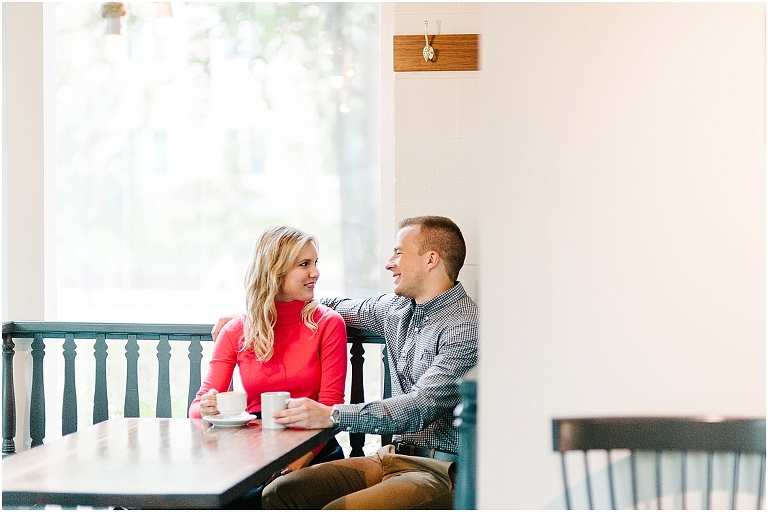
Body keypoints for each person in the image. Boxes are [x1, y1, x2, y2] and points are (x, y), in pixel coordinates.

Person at [258, 215, 479, 509]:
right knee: (279, 492)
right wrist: (251, 314)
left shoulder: (465, 327)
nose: (389, 263)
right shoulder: (397, 309)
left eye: (399, 252)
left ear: (431, 259)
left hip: (440, 471)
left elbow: (420, 407)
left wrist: (332, 415)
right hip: (390, 456)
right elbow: (331, 306)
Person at [190, 226, 349, 489]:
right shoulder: (236, 330)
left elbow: (331, 408)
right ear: (275, 272)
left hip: (313, 450)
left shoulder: (328, 324)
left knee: (264, 495)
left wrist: (293, 465)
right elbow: (196, 409)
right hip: (252, 453)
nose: (315, 272)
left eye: (315, 263)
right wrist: (208, 407)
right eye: (304, 264)